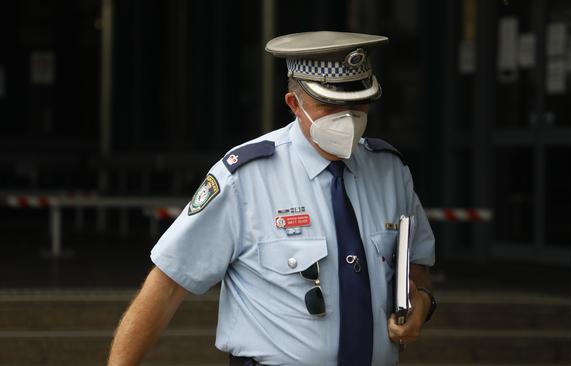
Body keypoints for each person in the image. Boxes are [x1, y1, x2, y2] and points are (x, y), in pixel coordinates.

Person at [108, 31, 436, 366]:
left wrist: (422, 300)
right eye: (331, 106)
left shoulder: (390, 171)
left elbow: (417, 260)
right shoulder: (246, 178)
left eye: (358, 104)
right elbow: (168, 284)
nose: (348, 119)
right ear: (295, 104)